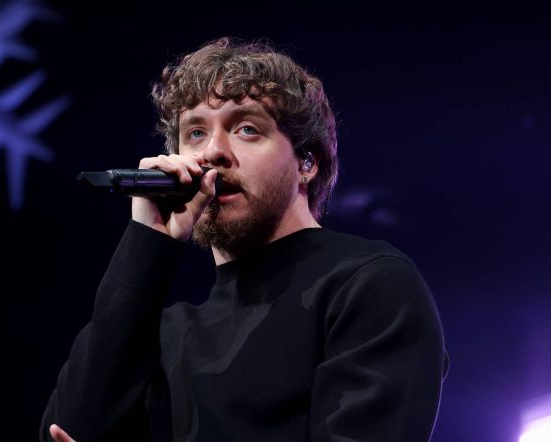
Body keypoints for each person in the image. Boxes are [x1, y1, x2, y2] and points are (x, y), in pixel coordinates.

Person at [40, 37, 448, 442]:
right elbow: (69, 430)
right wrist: (147, 244)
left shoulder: (368, 284)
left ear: (306, 163)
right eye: (196, 133)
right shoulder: (167, 333)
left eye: (247, 129)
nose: (214, 152)